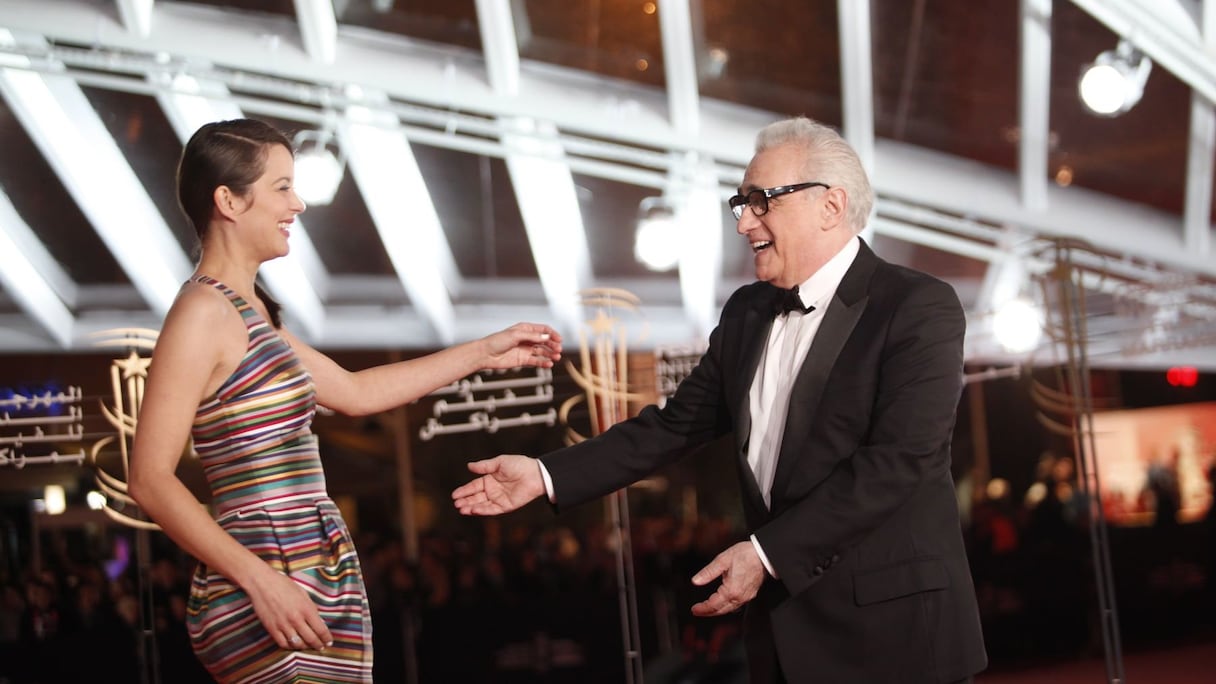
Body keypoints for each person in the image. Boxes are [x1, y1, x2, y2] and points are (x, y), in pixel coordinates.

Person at [453, 116, 987, 683]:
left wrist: (764, 555)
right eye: (742, 203)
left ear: (832, 205)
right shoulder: (746, 312)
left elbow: (898, 462)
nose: (744, 223)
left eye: (762, 202)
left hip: (895, 635)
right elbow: (672, 428)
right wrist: (544, 475)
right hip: (786, 642)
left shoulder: (917, 305)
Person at [128, 118, 562, 684]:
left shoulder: (246, 314)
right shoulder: (202, 314)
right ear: (228, 201)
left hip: (300, 575)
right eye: (282, 186)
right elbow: (149, 479)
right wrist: (263, 581)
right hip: (269, 582)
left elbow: (357, 392)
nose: (299, 203)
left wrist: (484, 352)